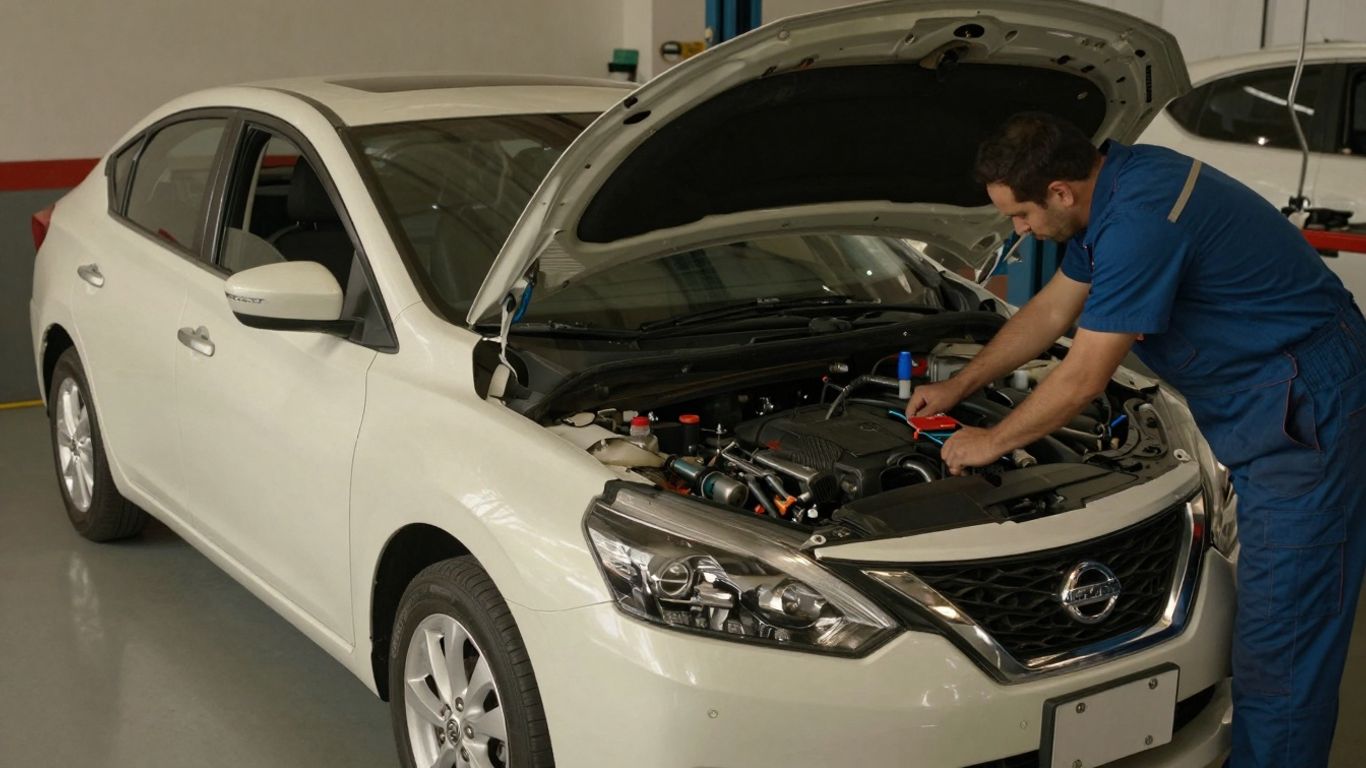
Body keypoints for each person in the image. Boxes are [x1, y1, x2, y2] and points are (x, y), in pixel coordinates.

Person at [908, 112, 1366, 767]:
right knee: (1275, 632)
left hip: (1306, 405)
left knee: (1283, 641)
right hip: (1270, 389)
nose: (1019, 231)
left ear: (1061, 192)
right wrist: (959, 388)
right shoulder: (1120, 183)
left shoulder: (1139, 222)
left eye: (1021, 216)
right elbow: (1050, 310)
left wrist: (992, 441)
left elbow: (1084, 378)